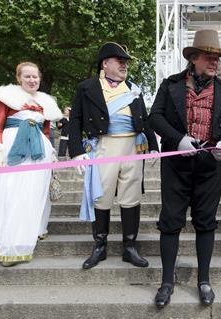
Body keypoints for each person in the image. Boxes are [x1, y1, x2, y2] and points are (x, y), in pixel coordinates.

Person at [149, 29, 221, 308]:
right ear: (194, 58)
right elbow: (155, 117)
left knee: (206, 221)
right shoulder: (171, 84)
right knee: (171, 221)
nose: (215, 62)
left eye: (217, 58)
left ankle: (203, 280)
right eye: (210, 57)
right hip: (177, 162)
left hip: (210, 165)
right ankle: (166, 281)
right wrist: (178, 139)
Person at [68, 42, 158, 270]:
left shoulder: (133, 88)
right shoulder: (87, 87)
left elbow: (144, 119)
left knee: (131, 196)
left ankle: (130, 247)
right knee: (102, 196)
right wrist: (77, 151)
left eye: (125, 62)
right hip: (103, 147)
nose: (124, 65)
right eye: (120, 61)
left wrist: (154, 145)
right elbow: (76, 119)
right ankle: (100, 246)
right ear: (105, 63)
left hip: (133, 147)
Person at [0, 62, 62, 266]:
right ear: (19, 78)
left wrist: (51, 153)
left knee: (32, 194)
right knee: (10, 193)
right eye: (27, 77)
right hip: (11, 148)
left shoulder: (47, 103)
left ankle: (25, 238)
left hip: (39, 152)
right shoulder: (6, 97)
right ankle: (7, 243)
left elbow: (47, 132)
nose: (32, 80)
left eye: (35, 77)